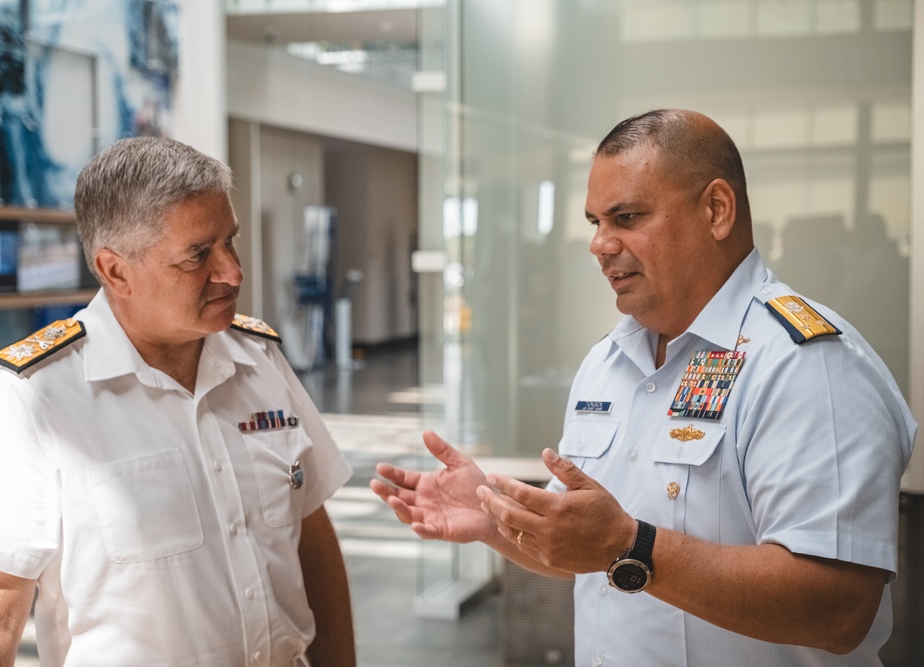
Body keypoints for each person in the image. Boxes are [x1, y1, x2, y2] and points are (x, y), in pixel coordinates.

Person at [371, 109, 917, 665]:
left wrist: (628, 547)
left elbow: (839, 609)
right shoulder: (608, 363)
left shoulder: (805, 365)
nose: (600, 245)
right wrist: (498, 521)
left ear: (717, 210)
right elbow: (584, 547)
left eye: (627, 217)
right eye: (595, 223)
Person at [0, 137, 356, 667]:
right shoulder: (37, 396)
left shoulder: (261, 359)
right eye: (199, 254)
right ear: (115, 271)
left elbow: (310, 538)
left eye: (231, 240)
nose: (232, 271)